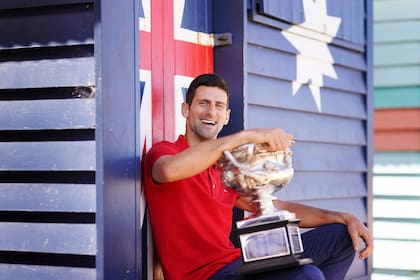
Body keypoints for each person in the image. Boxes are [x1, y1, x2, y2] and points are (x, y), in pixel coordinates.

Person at [144, 73, 373, 280]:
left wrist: (344, 217)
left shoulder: (225, 168)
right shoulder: (167, 152)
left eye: (218, 106)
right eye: (203, 103)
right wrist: (245, 137)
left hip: (236, 264)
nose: (211, 112)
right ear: (186, 109)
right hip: (204, 276)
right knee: (307, 276)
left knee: (340, 237)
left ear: (226, 116)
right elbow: (167, 171)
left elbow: (274, 204)